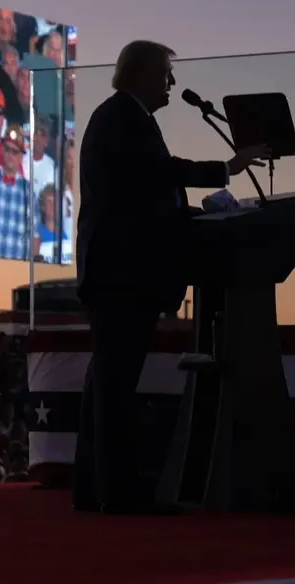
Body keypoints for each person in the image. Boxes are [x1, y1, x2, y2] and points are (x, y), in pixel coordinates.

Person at [72, 40, 267, 515]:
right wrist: (227, 168)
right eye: (165, 74)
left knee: (109, 381)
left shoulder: (127, 117)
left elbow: (150, 184)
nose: (172, 84)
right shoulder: (121, 117)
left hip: (121, 272)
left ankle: (96, 487)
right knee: (115, 383)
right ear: (140, 74)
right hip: (121, 273)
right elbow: (156, 174)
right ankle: (116, 493)